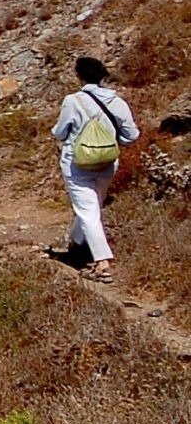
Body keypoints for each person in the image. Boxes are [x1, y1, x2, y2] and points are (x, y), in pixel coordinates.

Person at [50, 56, 139, 282]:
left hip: (77, 163)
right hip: (107, 162)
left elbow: (60, 132)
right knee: (92, 206)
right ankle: (77, 244)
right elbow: (132, 136)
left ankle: (102, 262)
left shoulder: (73, 101)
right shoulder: (118, 102)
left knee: (87, 210)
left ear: (79, 75)